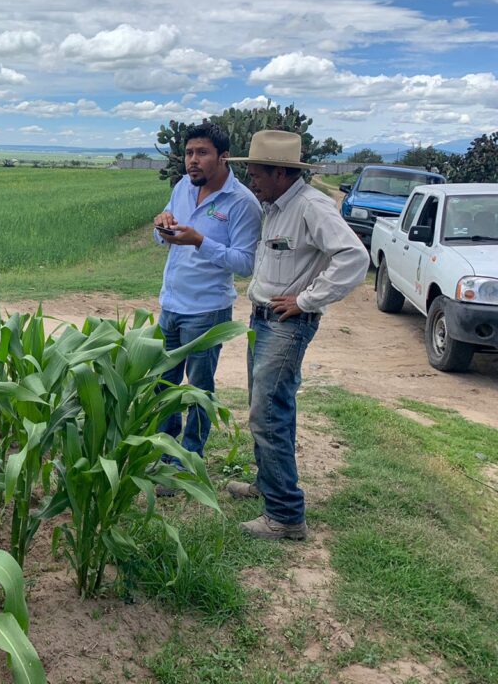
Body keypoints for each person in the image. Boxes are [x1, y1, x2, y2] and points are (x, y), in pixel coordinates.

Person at [225, 130, 369, 540]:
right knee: (264, 406)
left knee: (267, 413)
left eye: (257, 174)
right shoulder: (275, 205)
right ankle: (267, 486)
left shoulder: (311, 206)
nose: (252, 181)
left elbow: (353, 258)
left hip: (286, 325)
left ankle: (286, 516)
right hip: (263, 319)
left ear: (281, 172)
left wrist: (307, 300)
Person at [152, 121, 262, 470]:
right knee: (163, 384)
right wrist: (162, 227)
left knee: (198, 388)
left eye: (202, 153)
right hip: (171, 303)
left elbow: (246, 263)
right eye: (188, 153)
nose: (192, 161)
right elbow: (164, 237)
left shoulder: (242, 203)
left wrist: (200, 241)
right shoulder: (183, 186)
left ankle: (188, 457)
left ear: (224, 157)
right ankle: (163, 451)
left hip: (207, 310)